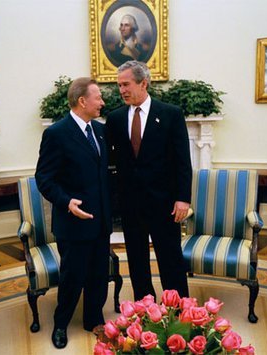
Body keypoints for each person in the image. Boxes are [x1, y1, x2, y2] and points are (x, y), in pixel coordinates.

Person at [106, 60, 192, 301]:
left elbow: (182, 161)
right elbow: (110, 162)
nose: (121, 90)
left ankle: (179, 309)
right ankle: (146, 308)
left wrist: (183, 199)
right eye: (119, 85)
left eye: (126, 84)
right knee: (136, 260)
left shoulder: (170, 114)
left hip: (164, 204)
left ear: (143, 83)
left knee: (170, 260)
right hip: (130, 205)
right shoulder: (114, 118)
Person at [35, 77, 111, 349]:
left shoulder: (101, 131)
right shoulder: (56, 133)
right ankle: (60, 324)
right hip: (73, 223)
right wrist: (67, 202)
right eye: (98, 97)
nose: (102, 102)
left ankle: (94, 320)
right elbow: (44, 178)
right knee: (72, 277)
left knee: (99, 276)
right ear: (82, 101)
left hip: (101, 221)